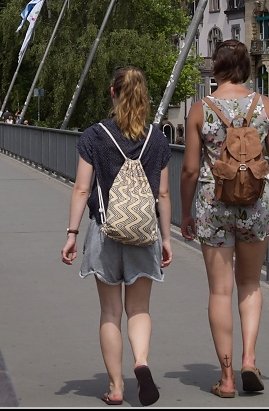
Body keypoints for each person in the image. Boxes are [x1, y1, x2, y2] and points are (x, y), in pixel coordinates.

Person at [180, 39, 269, 399]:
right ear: (246, 68)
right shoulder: (265, 106)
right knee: (250, 284)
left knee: (220, 290)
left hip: (213, 205)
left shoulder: (201, 109)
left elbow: (190, 170)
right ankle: (249, 359)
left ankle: (226, 378)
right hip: (257, 204)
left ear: (216, 67)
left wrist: (186, 212)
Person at [62, 66, 172, 407]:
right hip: (144, 232)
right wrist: (167, 238)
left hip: (104, 230)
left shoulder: (94, 136)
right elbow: (163, 194)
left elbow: (82, 189)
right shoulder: (157, 139)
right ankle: (141, 362)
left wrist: (71, 233)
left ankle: (116, 388)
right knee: (139, 309)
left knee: (110, 312)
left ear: (113, 93)